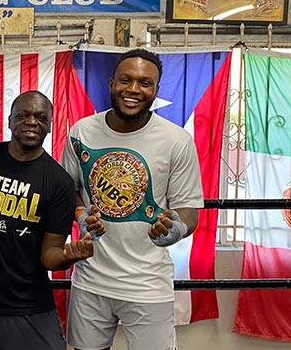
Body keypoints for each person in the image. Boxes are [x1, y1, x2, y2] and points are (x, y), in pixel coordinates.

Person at [61, 49, 204, 350]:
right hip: (90, 280)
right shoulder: (82, 132)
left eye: (144, 83)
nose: (133, 90)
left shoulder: (176, 140)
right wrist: (79, 215)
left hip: (148, 283)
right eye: (125, 80)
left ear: (156, 90)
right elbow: (68, 189)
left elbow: (188, 210)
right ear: (112, 83)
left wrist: (174, 229)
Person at [0, 90, 97, 350]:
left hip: (30, 307)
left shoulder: (59, 182)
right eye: (23, 115)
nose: (31, 122)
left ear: (50, 125)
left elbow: (49, 256)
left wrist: (71, 255)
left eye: (41, 117)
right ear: (10, 121)